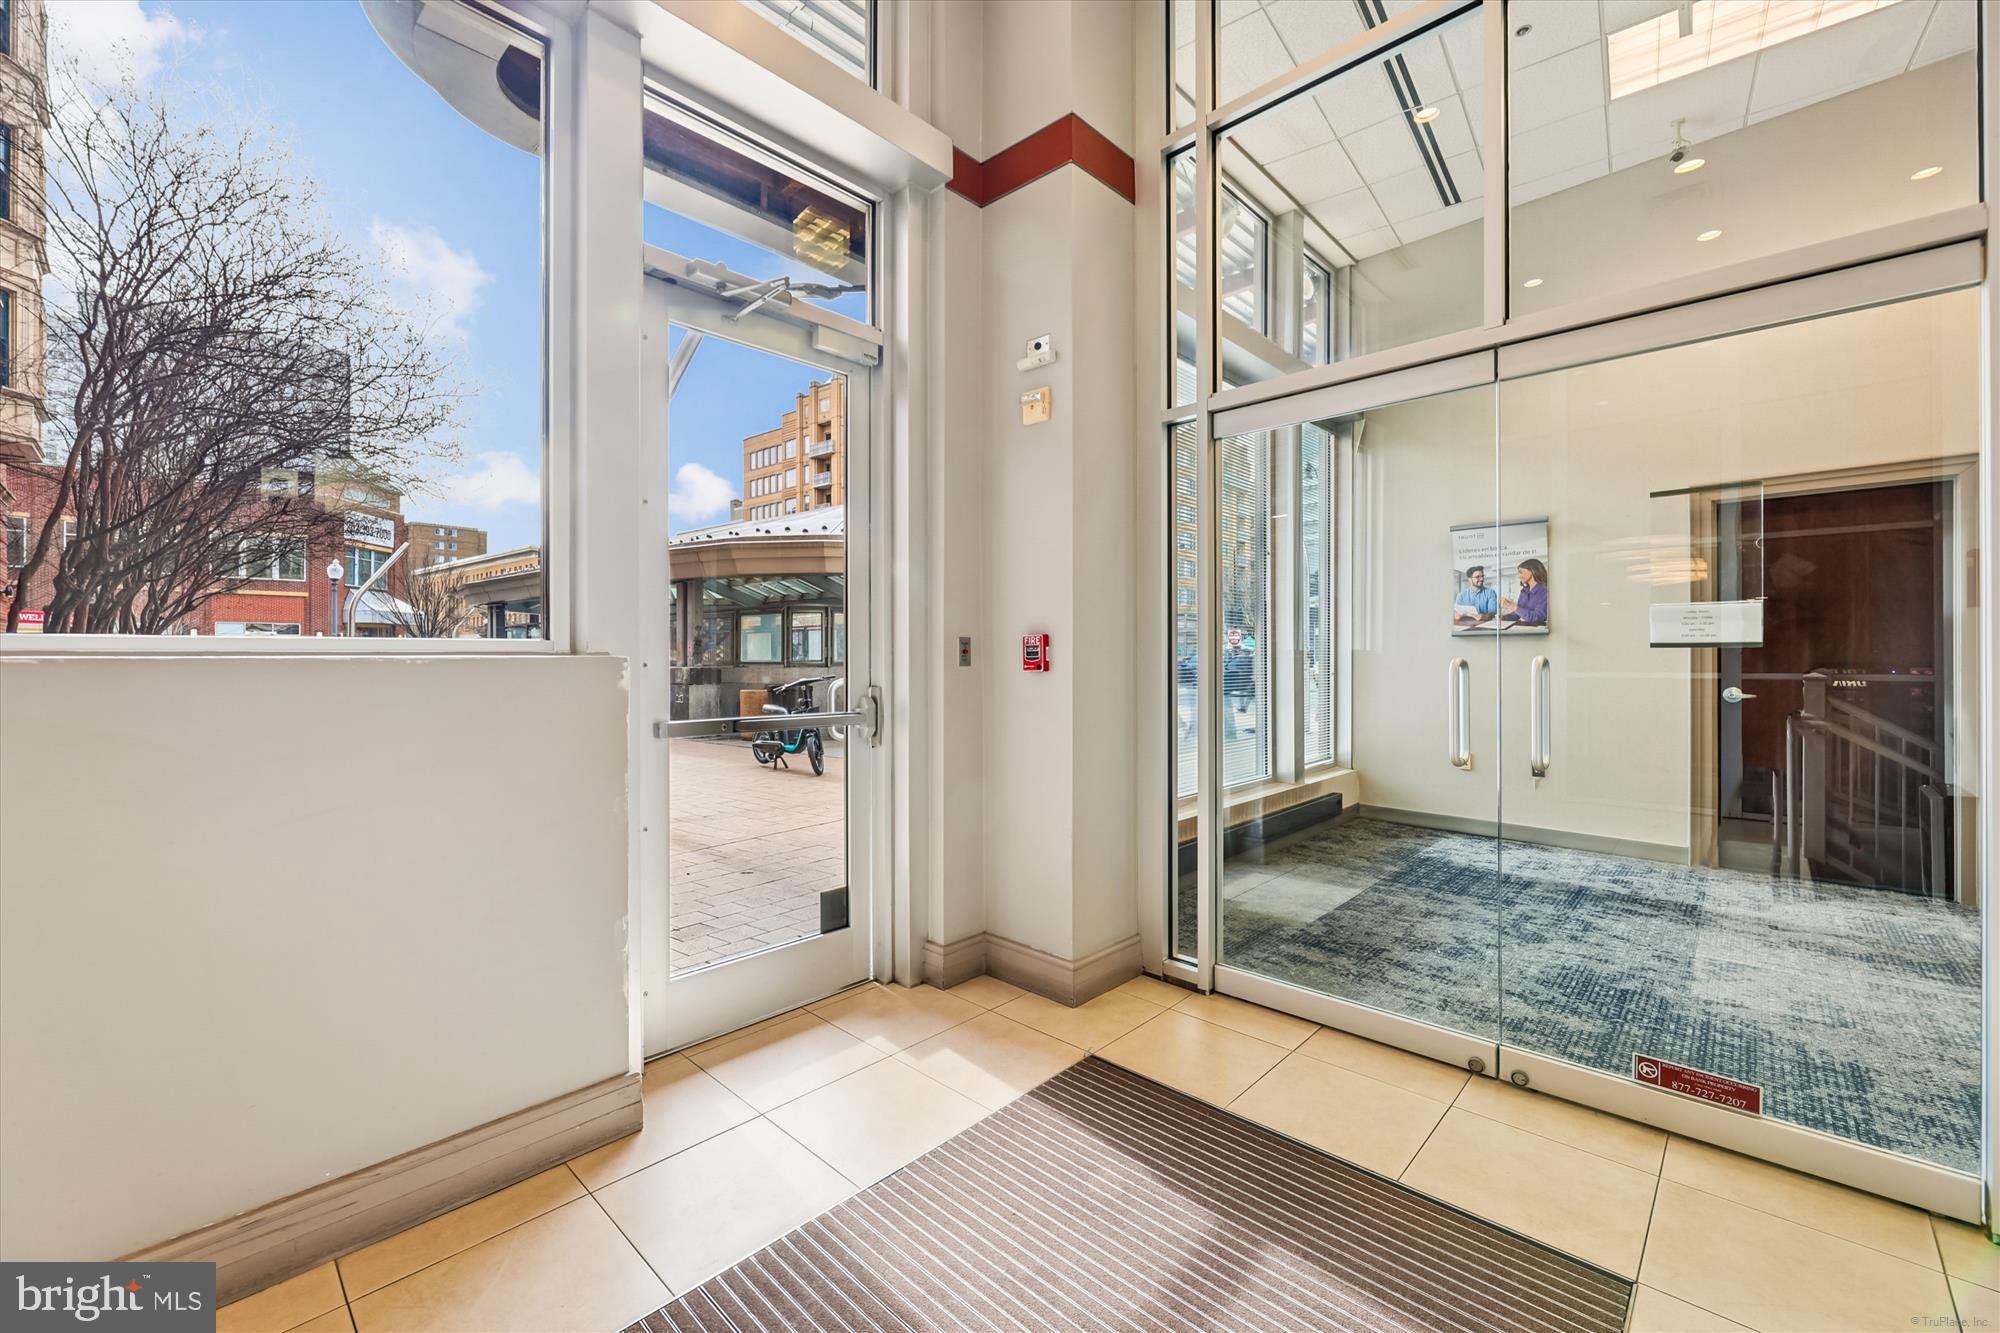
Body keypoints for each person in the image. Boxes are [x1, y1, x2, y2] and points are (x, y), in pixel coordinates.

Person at [1502, 558, 1550, 627]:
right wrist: (1504, 617)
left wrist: (1511, 606)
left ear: (1532, 571)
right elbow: (1517, 614)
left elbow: (1537, 617)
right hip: (1525, 628)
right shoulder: (1524, 591)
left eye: (1521, 572)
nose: (1519, 576)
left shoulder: (1544, 590)